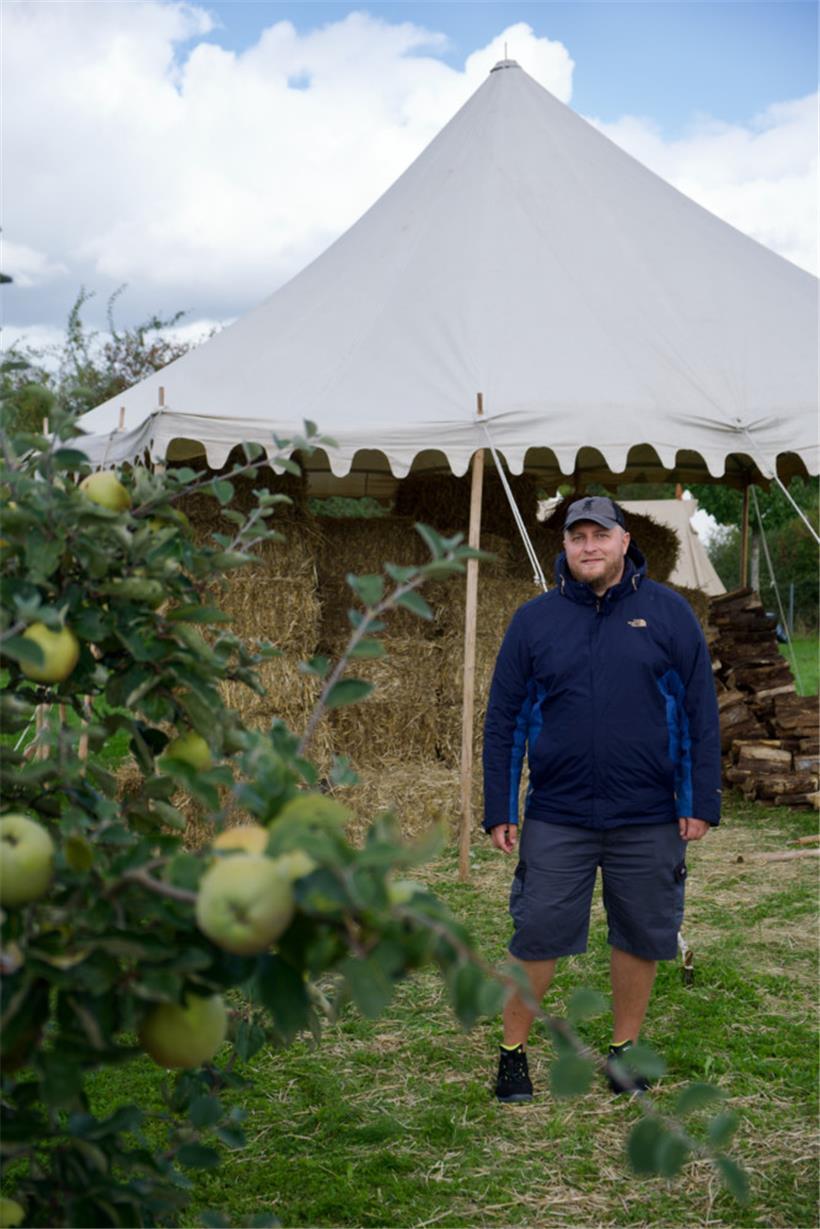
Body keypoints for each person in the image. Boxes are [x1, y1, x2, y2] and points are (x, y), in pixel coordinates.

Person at [483, 495, 721, 1102]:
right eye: (577, 536)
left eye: (600, 534)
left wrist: (700, 800)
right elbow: (505, 719)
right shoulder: (534, 621)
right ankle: (512, 1054)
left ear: (624, 541)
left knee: (640, 934)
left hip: (648, 813)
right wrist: (500, 807)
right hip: (558, 812)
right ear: (564, 546)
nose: (588, 546)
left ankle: (624, 1051)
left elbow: (699, 713)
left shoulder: (669, 614)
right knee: (537, 931)